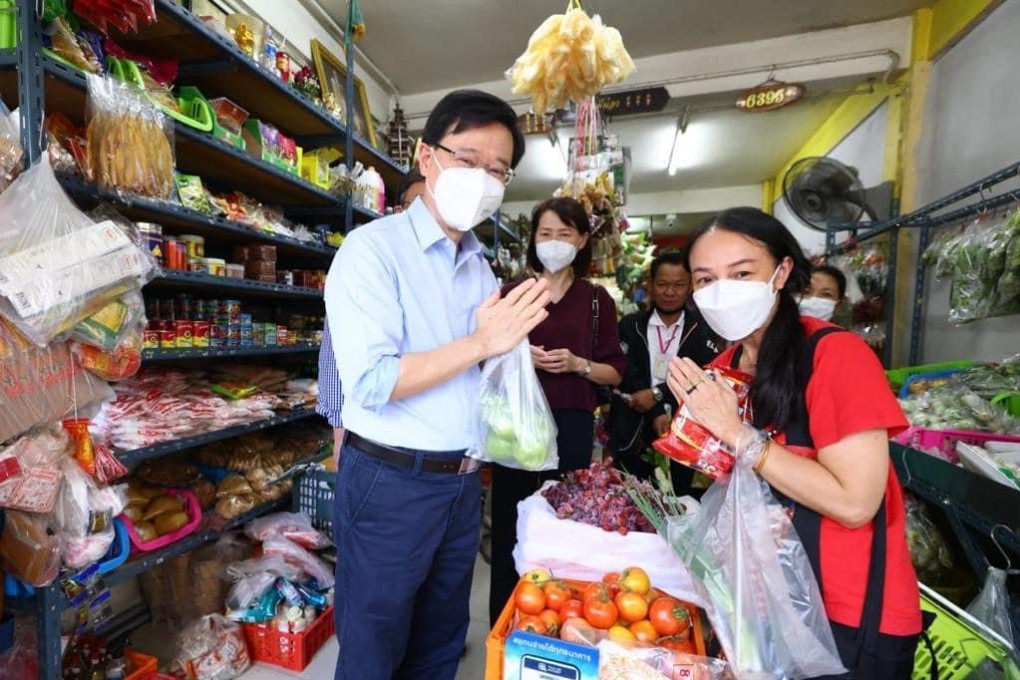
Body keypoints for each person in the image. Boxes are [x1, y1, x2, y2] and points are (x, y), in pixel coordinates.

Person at [325, 89, 551, 680]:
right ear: (427, 157)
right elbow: (370, 382)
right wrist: (483, 343)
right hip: (390, 482)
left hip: (459, 484)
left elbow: (475, 370)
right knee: (374, 648)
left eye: (498, 170)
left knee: (441, 640)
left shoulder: (479, 265)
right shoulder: (371, 251)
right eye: (467, 159)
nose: (482, 179)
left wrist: (512, 358)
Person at [664, 207, 921, 678]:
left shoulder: (834, 356)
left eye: (742, 273)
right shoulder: (725, 367)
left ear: (781, 272)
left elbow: (855, 502)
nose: (722, 290)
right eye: (705, 280)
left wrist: (738, 435)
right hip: (763, 601)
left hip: (845, 613)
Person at [488, 196, 627, 625]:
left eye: (564, 234)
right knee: (511, 521)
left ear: (583, 240)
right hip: (515, 423)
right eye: (545, 233)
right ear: (533, 240)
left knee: (563, 522)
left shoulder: (595, 301)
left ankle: (555, 621)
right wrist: (518, 355)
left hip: (570, 422)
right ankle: (505, 620)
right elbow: (483, 355)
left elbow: (615, 374)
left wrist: (577, 364)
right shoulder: (512, 293)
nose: (553, 242)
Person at [608, 250, 720, 493]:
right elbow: (624, 369)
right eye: (662, 284)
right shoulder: (630, 325)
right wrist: (656, 408)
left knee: (679, 502)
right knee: (630, 502)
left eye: (678, 285)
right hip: (633, 429)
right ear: (650, 285)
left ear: (690, 285)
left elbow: (704, 375)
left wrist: (658, 395)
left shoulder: (704, 331)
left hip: (684, 432)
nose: (670, 292)